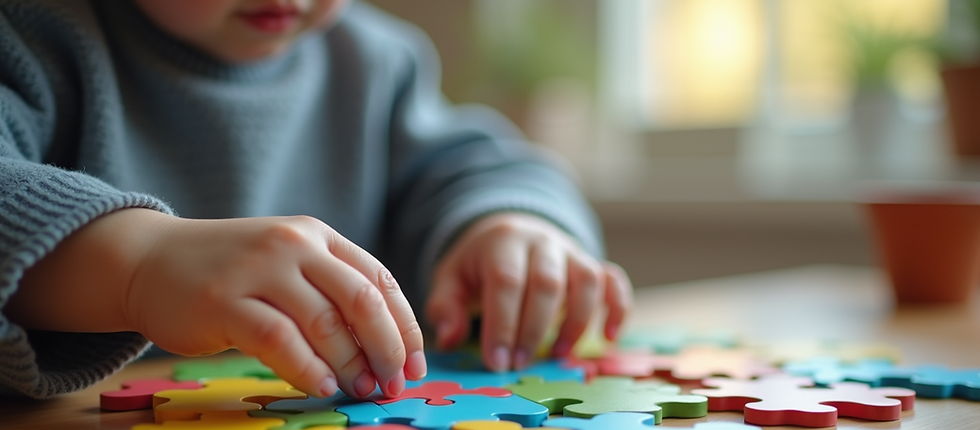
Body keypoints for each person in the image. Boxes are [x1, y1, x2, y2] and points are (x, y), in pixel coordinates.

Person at [0, 0, 632, 401]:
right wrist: (139, 266)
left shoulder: (378, 61)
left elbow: (474, 164)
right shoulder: (31, 32)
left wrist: (510, 221)